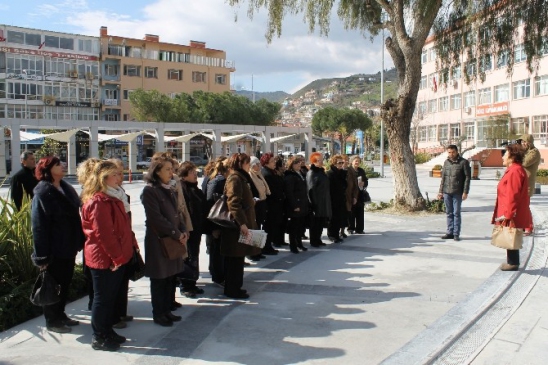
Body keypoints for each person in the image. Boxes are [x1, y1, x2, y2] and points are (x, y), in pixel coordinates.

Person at [80, 160, 135, 351]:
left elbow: (124, 228)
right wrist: (117, 258)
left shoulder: (115, 197)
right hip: (105, 259)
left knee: (110, 298)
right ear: (103, 178)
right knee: (102, 299)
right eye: (115, 174)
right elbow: (104, 234)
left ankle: (107, 331)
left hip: (116, 257)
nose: (119, 177)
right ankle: (99, 336)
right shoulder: (98, 201)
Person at [31, 156, 85, 334]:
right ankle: (52, 320)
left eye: (61, 163)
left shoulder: (65, 188)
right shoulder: (43, 192)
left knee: (65, 282)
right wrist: (42, 256)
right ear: (47, 169)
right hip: (53, 248)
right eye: (57, 164)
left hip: (68, 246)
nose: (62, 166)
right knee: (52, 284)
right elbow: (39, 226)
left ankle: (61, 314)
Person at [141, 155, 188, 327]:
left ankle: (167, 309)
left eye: (171, 169)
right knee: (159, 278)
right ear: (157, 171)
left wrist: (183, 230)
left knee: (170, 276)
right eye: (167, 169)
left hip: (173, 238)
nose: (171, 172)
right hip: (159, 241)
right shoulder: (150, 191)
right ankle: (159, 313)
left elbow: (177, 213)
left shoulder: (168, 188)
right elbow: (156, 218)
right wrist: (176, 233)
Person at [222, 153, 261, 299]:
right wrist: (242, 223)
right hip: (237, 226)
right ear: (240, 163)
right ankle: (232, 289)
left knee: (239, 258)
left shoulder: (242, 178)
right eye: (246, 162)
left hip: (245, 222)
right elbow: (233, 202)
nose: (248, 165)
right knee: (235, 259)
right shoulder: (236, 178)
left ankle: (236, 287)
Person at [492, 143, 531, 271]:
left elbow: (513, 194)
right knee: (511, 234)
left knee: (511, 234)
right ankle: (512, 261)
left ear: (512, 156)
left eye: (505, 154)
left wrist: (509, 213)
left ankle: (513, 262)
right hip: (510, 209)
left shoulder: (515, 171)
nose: (503, 156)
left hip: (511, 210)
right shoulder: (514, 169)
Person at [178, 161, 207, 298]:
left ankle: (192, 283)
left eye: (195, 171)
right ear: (183, 176)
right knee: (188, 257)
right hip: (188, 231)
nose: (195, 174)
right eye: (191, 172)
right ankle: (186, 285)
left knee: (194, 256)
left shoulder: (195, 189)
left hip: (197, 229)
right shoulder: (183, 189)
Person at [437, 145, 471, 242]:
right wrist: (440, 191)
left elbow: (467, 178)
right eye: (449, 152)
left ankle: (456, 233)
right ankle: (449, 232)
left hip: (457, 192)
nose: (451, 154)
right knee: (449, 212)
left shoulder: (463, 162)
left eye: (453, 152)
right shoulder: (446, 163)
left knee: (456, 213)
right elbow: (443, 178)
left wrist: (465, 192)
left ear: (457, 152)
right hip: (447, 192)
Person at [205, 157, 229, 286]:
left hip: (218, 222)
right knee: (217, 251)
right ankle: (218, 276)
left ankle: (218, 274)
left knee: (218, 250)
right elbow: (210, 203)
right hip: (217, 222)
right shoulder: (217, 181)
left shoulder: (216, 180)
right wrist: (212, 227)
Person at [284, 156, 309, 253]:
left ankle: (299, 243)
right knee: (293, 227)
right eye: (296, 163)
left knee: (300, 226)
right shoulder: (290, 176)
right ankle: (293, 246)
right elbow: (289, 193)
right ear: (291, 165)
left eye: (299, 162)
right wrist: (295, 206)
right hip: (295, 206)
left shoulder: (301, 174)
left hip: (302, 204)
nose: (299, 164)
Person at [261, 153, 285, 254]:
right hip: (271, 205)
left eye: (274, 161)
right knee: (269, 227)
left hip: (276, 204)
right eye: (272, 161)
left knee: (272, 226)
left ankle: (268, 245)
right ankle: (266, 247)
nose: (274, 163)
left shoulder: (272, 172)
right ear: (266, 163)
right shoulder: (266, 173)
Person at [306, 152, 331, 247]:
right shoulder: (312, 173)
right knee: (315, 223)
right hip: (316, 202)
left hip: (323, 200)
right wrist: (313, 203)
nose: (322, 162)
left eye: (322, 160)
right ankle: (314, 240)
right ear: (314, 162)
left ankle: (318, 239)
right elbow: (310, 189)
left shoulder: (321, 171)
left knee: (321, 222)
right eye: (319, 160)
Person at [248, 156, 270, 261]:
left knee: (259, 228)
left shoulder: (259, 175)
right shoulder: (250, 176)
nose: (259, 166)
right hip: (255, 205)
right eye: (256, 164)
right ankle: (252, 252)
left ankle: (258, 250)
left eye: (259, 164)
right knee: (253, 229)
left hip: (262, 202)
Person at [520, 134, 541, 235]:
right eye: (522, 142)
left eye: (525, 142)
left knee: (525, 206)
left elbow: (524, 162)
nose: (523, 144)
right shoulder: (525, 152)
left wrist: (517, 154)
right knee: (521, 206)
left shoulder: (534, 152)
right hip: (521, 183)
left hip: (527, 185)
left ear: (530, 142)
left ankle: (529, 227)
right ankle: (523, 225)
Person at [326, 154, 348, 243]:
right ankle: (331, 235)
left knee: (339, 217)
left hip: (341, 198)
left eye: (342, 162)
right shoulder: (330, 173)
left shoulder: (341, 172)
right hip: (333, 199)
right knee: (333, 218)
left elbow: (344, 184)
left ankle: (337, 234)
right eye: (339, 162)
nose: (341, 164)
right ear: (334, 163)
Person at [348, 156, 368, 234]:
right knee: (352, 211)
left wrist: (364, 183)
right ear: (352, 161)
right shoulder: (349, 170)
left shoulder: (361, 170)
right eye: (355, 161)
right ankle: (351, 228)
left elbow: (365, 180)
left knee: (360, 211)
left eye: (358, 161)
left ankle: (359, 229)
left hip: (360, 193)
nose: (357, 163)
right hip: (351, 193)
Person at [343, 155, 359, 237]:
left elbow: (355, 185)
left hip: (349, 196)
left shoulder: (350, 171)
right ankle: (339, 231)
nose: (345, 162)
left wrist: (355, 197)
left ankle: (345, 229)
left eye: (346, 160)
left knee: (348, 213)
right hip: (341, 197)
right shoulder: (337, 171)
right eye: (343, 161)